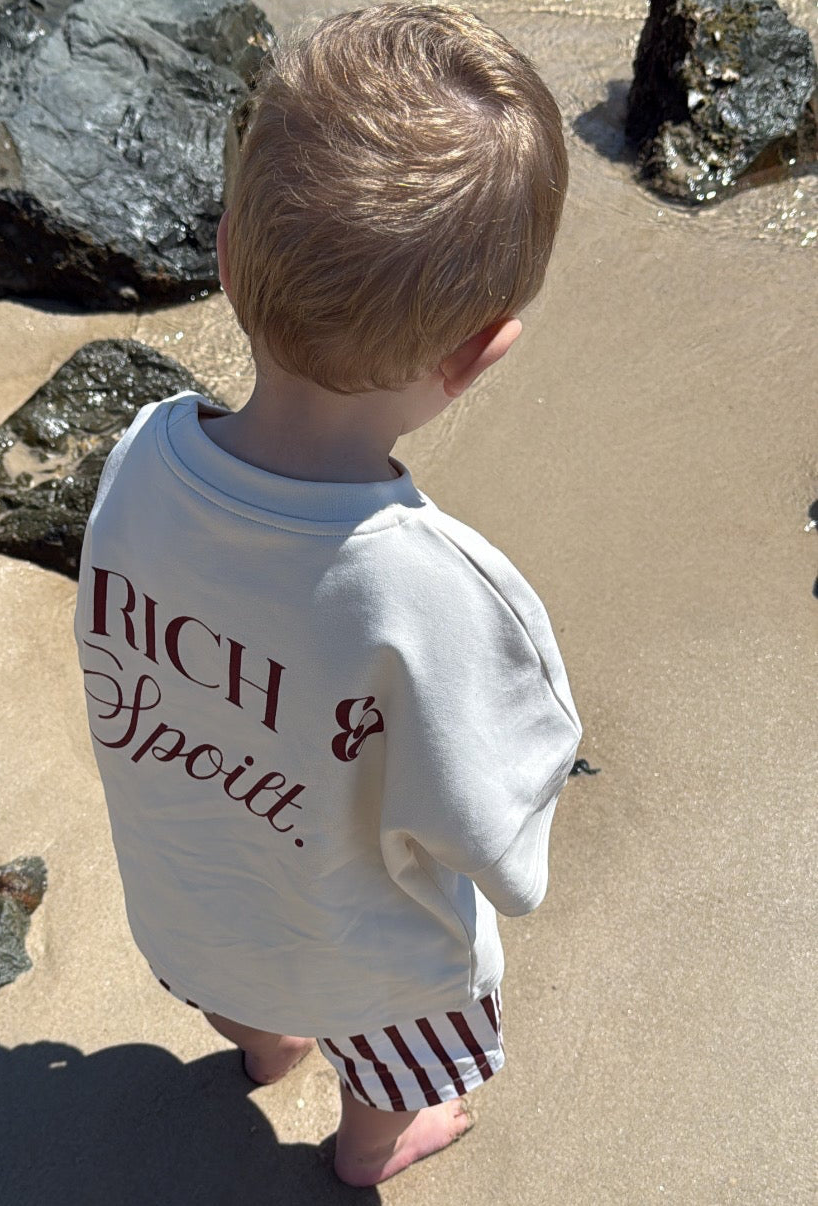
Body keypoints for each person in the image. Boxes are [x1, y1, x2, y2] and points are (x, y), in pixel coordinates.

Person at [73, 2, 582, 1188]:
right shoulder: (438, 592)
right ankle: (371, 1148)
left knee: (243, 988)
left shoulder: (142, 455)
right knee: (399, 1047)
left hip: (191, 902)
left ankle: (263, 1047)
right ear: (479, 353)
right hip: (360, 952)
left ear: (227, 256)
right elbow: (503, 844)